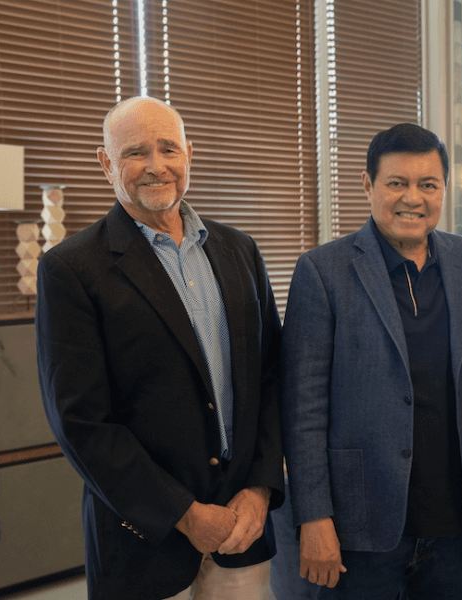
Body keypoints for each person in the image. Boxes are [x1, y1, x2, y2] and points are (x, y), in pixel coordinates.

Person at [36, 96, 284, 600]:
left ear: (190, 154)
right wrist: (185, 515)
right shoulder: (70, 270)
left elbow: (273, 378)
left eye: (169, 148)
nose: (156, 166)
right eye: (135, 153)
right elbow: (81, 422)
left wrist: (260, 489)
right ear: (106, 164)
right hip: (142, 545)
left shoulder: (241, 250)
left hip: (242, 530)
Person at [281, 123, 462, 599]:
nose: (413, 198)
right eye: (397, 183)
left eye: (428, 184)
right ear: (368, 186)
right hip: (359, 526)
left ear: (443, 189)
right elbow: (303, 411)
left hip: (455, 523)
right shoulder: (323, 272)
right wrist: (313, 516)